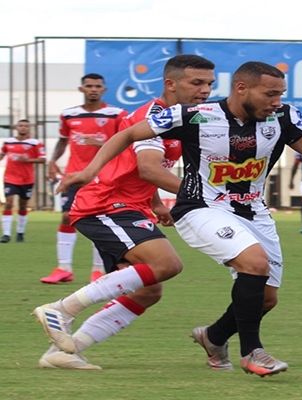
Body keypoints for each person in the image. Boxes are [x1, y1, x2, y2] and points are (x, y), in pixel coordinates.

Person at [35, 61, 302, 377]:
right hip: (194, 208)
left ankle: (214, 337)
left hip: (251, 212)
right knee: (224, 265)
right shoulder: (192, 115)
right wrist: (89, 171)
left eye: (280, 93)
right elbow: (132, 139)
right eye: (270, 93)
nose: (277, 100)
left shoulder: (282, 116)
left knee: (263, 299)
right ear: (243, 88)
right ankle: (253, 353)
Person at [33, 54, 216, 370]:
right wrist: (212, 197)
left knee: (149, 291)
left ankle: (65, 352)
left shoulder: (186, 116)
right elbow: (148, 168)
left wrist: (156, 203)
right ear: (170, 83)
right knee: (167, 264)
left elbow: (146, 168)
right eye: (196, 82)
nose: (205, 90)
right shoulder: (154, 115)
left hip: (129, 206)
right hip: (105, 204)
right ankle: (61, 309)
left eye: (210, 84)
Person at [40, 73, 129, 284]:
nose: (93, 89)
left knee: (100, 221)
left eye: (97, 86)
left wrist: (101, 145)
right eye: (89, 86)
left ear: (104, 90)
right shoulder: (68, 115)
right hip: (75, 176)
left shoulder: (117, 114)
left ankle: (97, 270)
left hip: (105, 176)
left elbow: (127, 143)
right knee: (66, 217)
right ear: (81, 89)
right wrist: (52, 161)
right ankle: (63, 268)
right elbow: (62, 142)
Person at [0, 119, 46, 243]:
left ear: (29, 128)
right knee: (9, 203)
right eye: (21, 126)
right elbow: (2, 154)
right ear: (16, 127)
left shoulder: (35, 143)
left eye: (26, 126)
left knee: (22, 205)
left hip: (27, 179)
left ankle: (20, 232)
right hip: (10, 177)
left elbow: (42, 159)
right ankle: (6, 234)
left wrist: (28, 160)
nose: (23, 128)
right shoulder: (8, 142)